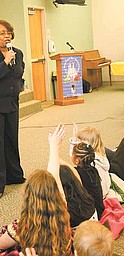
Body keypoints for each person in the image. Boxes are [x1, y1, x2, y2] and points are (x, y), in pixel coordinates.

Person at [0, 125, 72, 255]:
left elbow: (0, 244)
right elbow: (54, 174)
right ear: (55, 194)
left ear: (28, 197)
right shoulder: (63, 215)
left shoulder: (22, 227)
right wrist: (54, 147)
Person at [0, 20, 25, 197]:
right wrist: (5, 62)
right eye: (2, 33)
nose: (6, 36)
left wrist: (11, 61)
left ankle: (14, 175)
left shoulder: (17, 53)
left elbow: (18, 74)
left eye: (8, 32)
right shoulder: (7, 56)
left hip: (12, 102)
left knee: (11, 139)